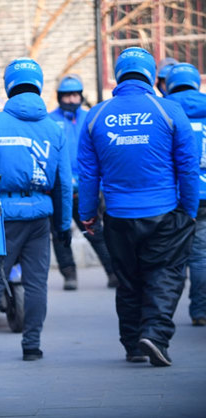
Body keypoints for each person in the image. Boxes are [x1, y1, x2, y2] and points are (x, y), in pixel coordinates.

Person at [77, 47, 198, 367]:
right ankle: (155, 335)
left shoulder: (96, 115)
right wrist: (188, 210)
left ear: (118, 75)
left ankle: (133, 344)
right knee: (166, 275)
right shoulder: (168, 109)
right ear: (150, 74)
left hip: (118, 215)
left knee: (128, 280)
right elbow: (187, 167)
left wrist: (88, 214)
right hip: (163, 211)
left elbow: (88, 174)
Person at [0, 57, 72, 361]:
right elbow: (63, 184)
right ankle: (32, 345)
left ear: (9, 86)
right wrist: (63, 226)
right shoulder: (54, 128)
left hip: (4, 216)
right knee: (37, 283)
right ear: (38, 84)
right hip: (40, 215)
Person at [49, 74, 117, 290]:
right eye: (67, 95)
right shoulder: (50, 121)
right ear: (59, 97)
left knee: (94, 232)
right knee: (61, 235)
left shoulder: (90, 118)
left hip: (85, 188)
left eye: (75, 95)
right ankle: (69, 275)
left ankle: (112, 272)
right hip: (59, 189)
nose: (71, 99)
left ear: (80, 96)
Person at [165, 62, 206, 326]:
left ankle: (160, 316)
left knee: (168, 257)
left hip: (172, 196)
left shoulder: (162, 110)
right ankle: (200, 310)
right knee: (201, 255)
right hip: (204, 194)